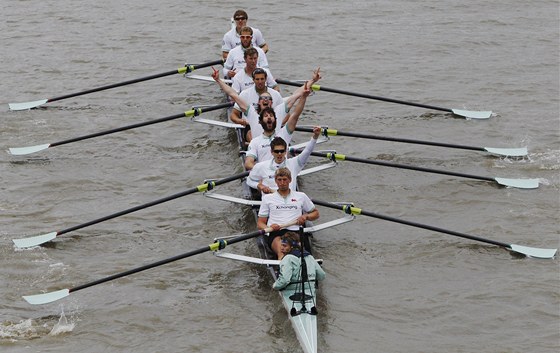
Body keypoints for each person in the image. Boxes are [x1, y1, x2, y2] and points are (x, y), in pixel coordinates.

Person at [212, 67, 320, 142]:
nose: (266, 101)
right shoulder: (253, 115)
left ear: (272, 102)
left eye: (268, 99)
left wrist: (313, 81)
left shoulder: (277, 113)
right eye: (263, 99)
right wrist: (218, 80)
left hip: (276, 148)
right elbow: (233, 94)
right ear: (259, 102)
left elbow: (297, 94)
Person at [244, 84, 310, 170]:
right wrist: (263, 171)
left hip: (283, 177)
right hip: (265, 177)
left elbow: (295, 115)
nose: (268, 118)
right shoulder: (255, 142)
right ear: (260, 122)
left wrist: (303, 97)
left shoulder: (283, 134)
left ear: (276, 120)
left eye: (271, 116)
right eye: (266, 116)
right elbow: (248, 163)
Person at [257, 168, 320, 259]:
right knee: (283, 251)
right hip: (277, 233)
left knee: (300, 253)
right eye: (279, 180)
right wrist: (269, 228)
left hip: (296, 232)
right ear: (275, 181)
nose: (282, 183)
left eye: (285, 180)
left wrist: (306, 216)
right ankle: (282, 268)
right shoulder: (267, 198)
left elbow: (316, 213)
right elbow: (260, 223)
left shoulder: (301, 196)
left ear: (290, 180)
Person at [246, 126, 321, 194]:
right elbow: (249, 180)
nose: (279, 154)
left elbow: (307, 152)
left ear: (286, 152)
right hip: (271, 203)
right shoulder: (261, 166)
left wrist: (315, 136)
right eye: (276, 151)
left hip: (290, 203)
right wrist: (259, 186)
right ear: (272, 152)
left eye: (282, 151)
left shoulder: (294, 164)